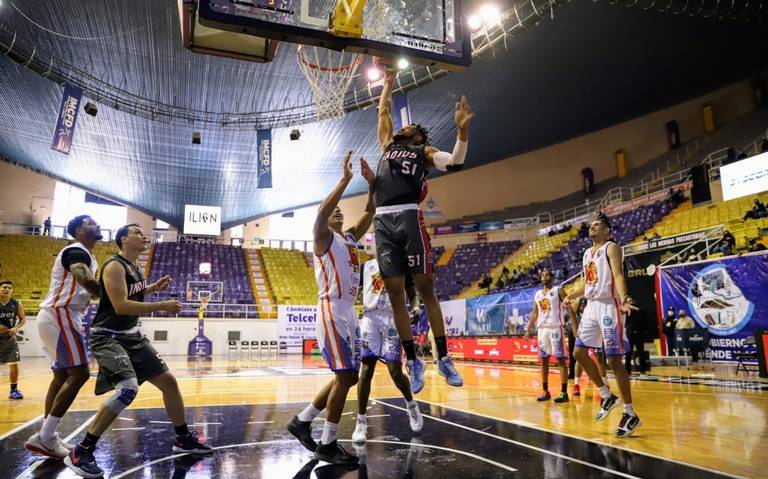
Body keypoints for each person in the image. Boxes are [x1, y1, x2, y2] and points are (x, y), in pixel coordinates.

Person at [64, 224, 209, 478]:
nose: (144, 236)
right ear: (124, 239)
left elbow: (128, 293)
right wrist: (161, 304)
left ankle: (183, 438)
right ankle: (82, 450)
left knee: (169, 383)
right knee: (128, 389)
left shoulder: (135, 267)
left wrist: (151, 288)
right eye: (138, 233)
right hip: (108, 337)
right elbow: (119, 306)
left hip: (132, 337)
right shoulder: (114, 265)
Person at [372, 64, 473, 391]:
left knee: (426, 288)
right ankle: (413, 360)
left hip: (407, 216)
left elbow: (456, 162)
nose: (405, 126)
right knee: (396, 295)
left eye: (411, 126)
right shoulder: (387, 144)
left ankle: (443, 359)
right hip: (382, 221)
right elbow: (383, 109)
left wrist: (462, 132)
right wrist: (388, 82)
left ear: (417, 135)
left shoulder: (423, 151)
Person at [287, 151, 375, 466]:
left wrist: (372, 184)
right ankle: (328, 443)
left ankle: (303, 420)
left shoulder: (350, 238)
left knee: (348, 377)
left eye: (340, 210)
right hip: (331, 309)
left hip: (350, 311)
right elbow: (322, 212)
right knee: (345, 374)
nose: (336, 211)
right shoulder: (322, 238)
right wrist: (344, 180)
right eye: (332, 210)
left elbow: (370, 212)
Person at [25, 215, 102, 459]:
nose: (97, 224)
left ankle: (47, 436)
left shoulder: (85, 253)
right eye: (91, 222)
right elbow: (84, 276)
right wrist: (111, 300)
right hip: (61, 314)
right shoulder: (76, 251)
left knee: (61, 376)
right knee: (80, 373)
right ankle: (45, 437)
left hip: (52, 316)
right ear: (79, 230)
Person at [565, 213, 641, 437]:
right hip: (591, 306)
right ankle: (607, 395)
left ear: (607, 230)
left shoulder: (612, 247)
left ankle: (630, 413)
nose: (592, 227)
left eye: (597, 225)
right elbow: (589, 283)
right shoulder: (587, 253)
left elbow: (617, 274)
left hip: (609, 305)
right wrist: (572, 294)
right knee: (578, 352)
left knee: (614, 360)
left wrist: (624, 296)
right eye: (591, 225)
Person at [353, 261, 423, 443]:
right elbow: (352, 288)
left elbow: (412, 291)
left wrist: (415, 307)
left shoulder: (401, 264)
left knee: (395, 371)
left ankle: (411, 405)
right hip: (370, 318)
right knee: (366, 371)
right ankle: (361, 421)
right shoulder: (366, 266)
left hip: (393, 317)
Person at [524, 269, 575, 403]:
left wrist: (575, 326)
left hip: (555, 329)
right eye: (542, 275)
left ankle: (564, 393)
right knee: (544, 360)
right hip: (542, 331)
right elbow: (535, 313)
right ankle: (545, 390)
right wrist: (528, 328)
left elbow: (569, 307)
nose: (544, 277)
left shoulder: (559, 290)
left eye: (547, 275)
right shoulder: (537, 294)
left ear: (552, 278)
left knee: (560, 360)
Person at [0, 281, 25, 399]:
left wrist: (16, 327)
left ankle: (14, 390)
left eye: (10, 288)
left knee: (13, 364)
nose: (7, 289)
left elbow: (22, 319)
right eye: (4, 287)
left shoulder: (16, 304)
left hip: (9, 338)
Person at [624, 301, 647, 375]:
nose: (629, 304)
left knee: (641, 353)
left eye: (630, 302)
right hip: (630, 336)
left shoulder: (639, 311)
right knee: (628, 354)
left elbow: (643, 315)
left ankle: (643, 371)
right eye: (627, 302)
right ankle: (627, 371)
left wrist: (635, 308)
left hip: (639, 335)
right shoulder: (626, 312)